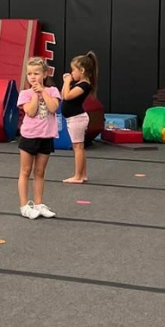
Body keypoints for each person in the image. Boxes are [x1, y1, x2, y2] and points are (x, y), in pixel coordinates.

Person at [17, 57, 61, 219]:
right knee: (25, 171)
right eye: (29, 74)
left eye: (36, 73)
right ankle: (24, 206)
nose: (33, 77)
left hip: (46, 137)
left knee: (40, 171)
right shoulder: (25, 94)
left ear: (44, 74)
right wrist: (35, 95)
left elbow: (53, 107)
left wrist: (43, 91)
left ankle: (39, 203)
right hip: (29, 137)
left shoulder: (53, 91)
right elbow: (30, 111)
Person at [61, 51, 98, 184]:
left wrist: (66, 81)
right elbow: (62, 94)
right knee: (79, 147)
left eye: (73, 70)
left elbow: (67, 96)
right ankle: (83, 175)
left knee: (78, 148)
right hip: (74, 118)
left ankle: (77, 176)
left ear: (82, 70)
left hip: (77, 119)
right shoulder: (78, 84)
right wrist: (66, 83)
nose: (72, 73)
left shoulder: (84, 85)